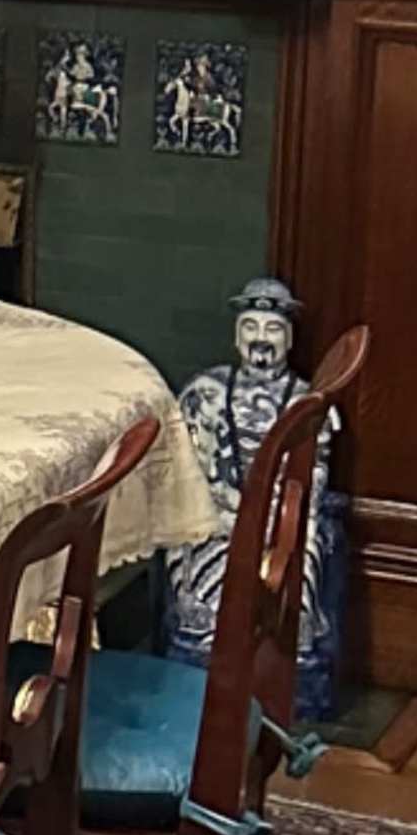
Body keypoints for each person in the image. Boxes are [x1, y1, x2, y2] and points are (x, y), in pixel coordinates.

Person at [163, 271, 347, 723]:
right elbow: (190, 470)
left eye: (271, 330)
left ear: (288, 339)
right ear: (236, 335)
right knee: (200, 563)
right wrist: (224, 511)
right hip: (217, 516)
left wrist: (277, 519)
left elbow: (315, 472)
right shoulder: (205, 393)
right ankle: (202, 667)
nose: (260, 340)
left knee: (298, 561)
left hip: (281, 521)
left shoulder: (308, 401)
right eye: (250, 328)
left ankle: (287, 673)